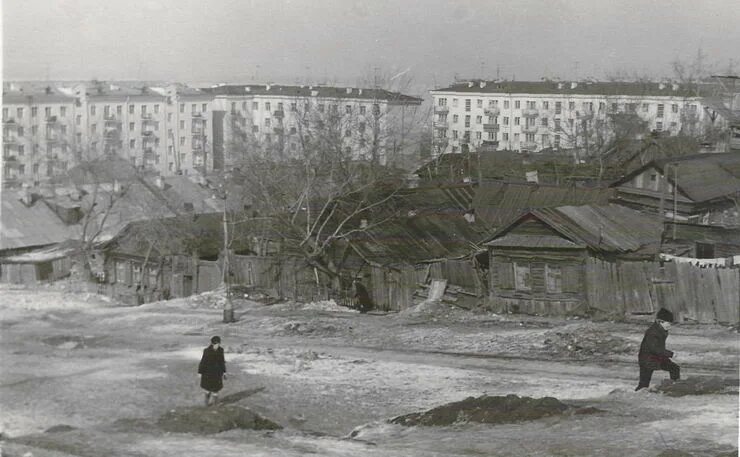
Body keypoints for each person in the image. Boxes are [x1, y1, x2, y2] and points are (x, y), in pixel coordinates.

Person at [635, 308, 680, 391]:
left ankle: (675, 387)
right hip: (647, 360)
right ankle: (636, 395)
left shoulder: (660, 330)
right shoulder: (653, 332)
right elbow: (655, 349)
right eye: (668, 323)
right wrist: (671, 354)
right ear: (660, 321)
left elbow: (659, 349)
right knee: (644, 384)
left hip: (656, 358)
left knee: (674, 368)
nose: (670, 326)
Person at [198, 336, 227, 406]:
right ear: (212, 343)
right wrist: (200, 372)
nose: (217, 345)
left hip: (217, 373)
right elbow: (203, 362)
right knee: (207, 390)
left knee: (216, 390)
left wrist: (224, 372)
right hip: (207, 374)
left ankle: (215, 404)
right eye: (215, 344)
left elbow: (222, 362)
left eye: (218, 344)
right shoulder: (206, 351)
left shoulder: (221, 350)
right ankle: (206, 403)